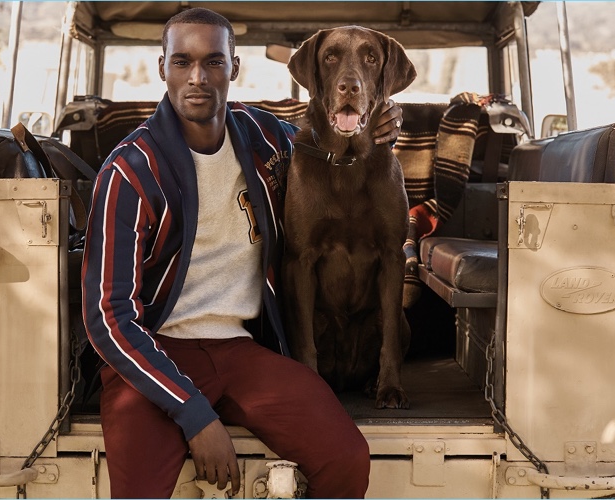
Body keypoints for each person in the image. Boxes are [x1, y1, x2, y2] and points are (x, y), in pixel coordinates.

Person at [81, 7, 403, 498]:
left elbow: (328, 145)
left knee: (347, 457)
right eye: (182, 62)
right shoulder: (128, 171)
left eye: (213, 62)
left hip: (242, 351)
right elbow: (108, 316)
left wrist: (375, 126)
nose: (197, 78)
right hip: (155, 353)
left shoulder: (263, 138)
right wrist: (194, 416)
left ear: (234, 68)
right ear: (161, 67)